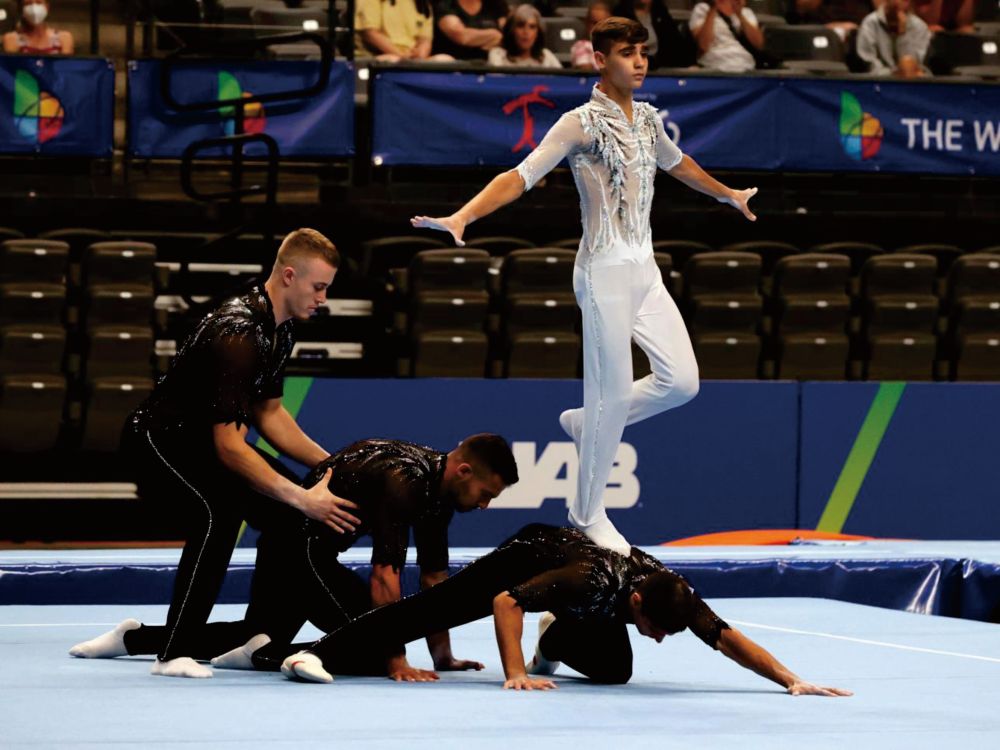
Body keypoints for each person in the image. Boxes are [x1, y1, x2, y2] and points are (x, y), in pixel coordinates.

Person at [412, 17, 757, 555]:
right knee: (610, 396)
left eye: (643, 52)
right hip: (603, 275)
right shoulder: (579, 124)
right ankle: (586, 513)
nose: (639, 62)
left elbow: (679, 164)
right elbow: (520, 177)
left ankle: (587, 421)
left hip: (644, 270)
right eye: (626, 53)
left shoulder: (648, 120)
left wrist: (727, 193)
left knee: (682, 383)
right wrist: (463, 216)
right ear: (599, 60)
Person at [112, 228, 362, 679]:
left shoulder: (281, 328)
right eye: (319, 287)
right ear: (290, 276)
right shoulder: (240, 332)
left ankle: (255, 636)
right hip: (156, 442)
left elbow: (270, 415)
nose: (323, 299)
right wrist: (302, 497)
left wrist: (331, 466)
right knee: (220, 514)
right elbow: (230, 449)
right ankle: (172, 652)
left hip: (201, 443)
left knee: (290, 517)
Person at [71, 434, 519, 682]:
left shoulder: (440, 497)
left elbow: (435, 582)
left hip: (299, 549)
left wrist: (443, 657)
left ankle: (135, 638)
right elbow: (385, 576)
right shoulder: (408, 481)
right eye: (486, 494)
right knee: (372, 650)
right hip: (299, 549)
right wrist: (398, 660)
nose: (485, 505)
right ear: (464, 470)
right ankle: (267, 657)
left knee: (252, 632)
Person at [228, 524, 852, 698]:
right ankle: (301, 652)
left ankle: (555, 639)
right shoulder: (590, 577)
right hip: (525, 561)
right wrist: (515, 674)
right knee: (426, 611)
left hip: (582, 601)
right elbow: (505, 602)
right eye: (655, 629)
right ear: (637, 604)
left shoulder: (674, 595)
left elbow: (728, 637)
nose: (662, 639)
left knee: (616, 672)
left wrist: (791, 679)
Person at [354, 0, 455, 62]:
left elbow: (425, 39)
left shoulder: (422, 4)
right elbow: (370, 34)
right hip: (378, 57)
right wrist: (401, 56)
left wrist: (420, 53)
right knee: (391, 61)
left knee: (445, 60)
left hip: (411, 60)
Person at [856, 0, 931, 78]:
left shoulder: (919, 27)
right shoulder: (870, 24)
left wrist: (902, 36)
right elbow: (869, 65)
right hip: (880, 81)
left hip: (912, 80)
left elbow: (914, 66)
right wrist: (893, 74)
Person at [690, 0, 765, 73]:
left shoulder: (746, 12)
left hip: (745, 66)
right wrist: (713, 9)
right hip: (713, 67)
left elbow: (758, 44)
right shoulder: (702, 9)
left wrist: (739, 14)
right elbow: (703, 45)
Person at [488, 4, 562, 68]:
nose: (526, 32)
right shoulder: (498, 56)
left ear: (538, 33)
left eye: (532, 27)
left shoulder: (546, 57)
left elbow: (562, 79)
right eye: (520, 26)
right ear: (511, 30)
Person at [432, 0, 508, 60]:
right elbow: (461, 36)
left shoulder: (496, 3)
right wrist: (494, 35)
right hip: (452, 64)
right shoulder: (444, 3)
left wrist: (499, 38)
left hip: (491, 63)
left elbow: (508, 35)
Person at [2, 0, 74, 55]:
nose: (34, 8)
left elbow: (65, 67)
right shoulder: (12, 38)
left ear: (47, 7)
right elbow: (13, 67)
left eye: (39, 2)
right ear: (22, 9)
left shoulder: (63, 38)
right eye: (28, 3)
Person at [571, 1, 613, 70]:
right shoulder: (581, 46)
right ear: (587, 24)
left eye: (603, 23)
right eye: (594, 23)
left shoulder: (616, 46)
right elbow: (587, 73)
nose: (599, 27)